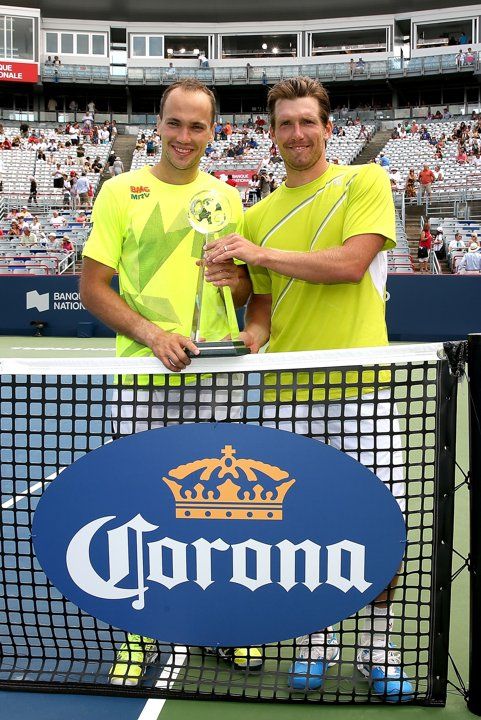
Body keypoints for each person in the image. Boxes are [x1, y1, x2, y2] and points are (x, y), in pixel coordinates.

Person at [204, 76, 414, 702]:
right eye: (284, 124)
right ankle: (315, 645)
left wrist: (259, 255)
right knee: (306, 528)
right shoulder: (256, 214)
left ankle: (379, 648)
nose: (296, 134)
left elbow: (350, 265)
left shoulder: (364, 183)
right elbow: (262, 310)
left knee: (381, 525)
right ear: (271, 135)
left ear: (328, 127)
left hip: (363, 391)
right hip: (288, 394)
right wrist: (247, 329)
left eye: (307, 122)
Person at [79, 79, 253, 684]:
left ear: (213, 131)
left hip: (218, 377)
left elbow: (248, 291)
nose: (184, 138)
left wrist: (238, 287)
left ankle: (224, 623)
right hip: (143, 375)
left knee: (224, 507)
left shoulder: (229, 199)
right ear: (159, 124)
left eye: (197, 127)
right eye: (174, 124)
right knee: (142, 508)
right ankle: (138, 631)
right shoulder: (118, 192)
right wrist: (153, 336)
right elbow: (92, 289)